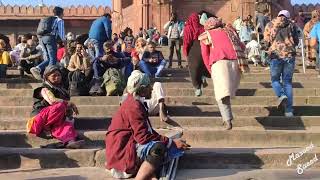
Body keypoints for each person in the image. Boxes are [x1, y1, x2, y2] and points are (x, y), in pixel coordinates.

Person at [105, 70, 189, 179]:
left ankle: (150, 174)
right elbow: (143, 137)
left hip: (128, 145)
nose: (151, 88)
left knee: (170, 142)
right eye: (148, 86)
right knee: (158, 148)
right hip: (122, 151)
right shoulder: (133, 106)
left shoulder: (136, 103)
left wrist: (171, 142)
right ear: (142, 89)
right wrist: (170, 142)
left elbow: (148, 131)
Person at [199, 17, 242, 130]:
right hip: (236, 63)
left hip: (219, 63)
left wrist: (209, 68)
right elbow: (242, 46)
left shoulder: (206, 35)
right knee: (225, 93)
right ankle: (226, 118)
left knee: (221, 94)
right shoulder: (230, 32)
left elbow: (205, 54)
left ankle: (227, 120)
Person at [26, 65, 84, 148]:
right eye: (54, 76)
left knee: (67, 124)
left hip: (53, 122)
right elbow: (52, 100)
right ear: (47, 77)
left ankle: (70, 142)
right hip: (37, 122)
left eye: (59, 75)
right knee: (59, 105)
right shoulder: (43, 88)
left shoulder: (62, 91)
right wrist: (68, 103)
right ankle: (47, 128)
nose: (57, 77)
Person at [264, 10, 300, 117]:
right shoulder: (292, 25)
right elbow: (297, 40)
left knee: (275, 80)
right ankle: (288, 111)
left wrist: (268, 48)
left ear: (278, 15)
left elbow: (266, 41)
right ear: (287, 16)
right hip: (289, 55)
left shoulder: (270, 24)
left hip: (275, 55)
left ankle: (281, 94)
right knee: (287, 82)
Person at [31, 6, 66, 80]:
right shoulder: (59, 20)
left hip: (42, 39)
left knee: (49, 58)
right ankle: (50, 75)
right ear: (61, 13)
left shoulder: (49, 20)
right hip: (50, 38)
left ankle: (37, 68)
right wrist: (65, 43)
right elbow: (62, 34)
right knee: (53, 59)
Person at [183, 12, 210, 97]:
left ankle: (197, 87)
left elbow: (186, 41)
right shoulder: (202, 27)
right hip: (203, 47)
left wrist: (185, 51)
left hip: (193, 49)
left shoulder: (188, 28)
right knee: (201, 65)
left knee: (193, 69)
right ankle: (202, 77)